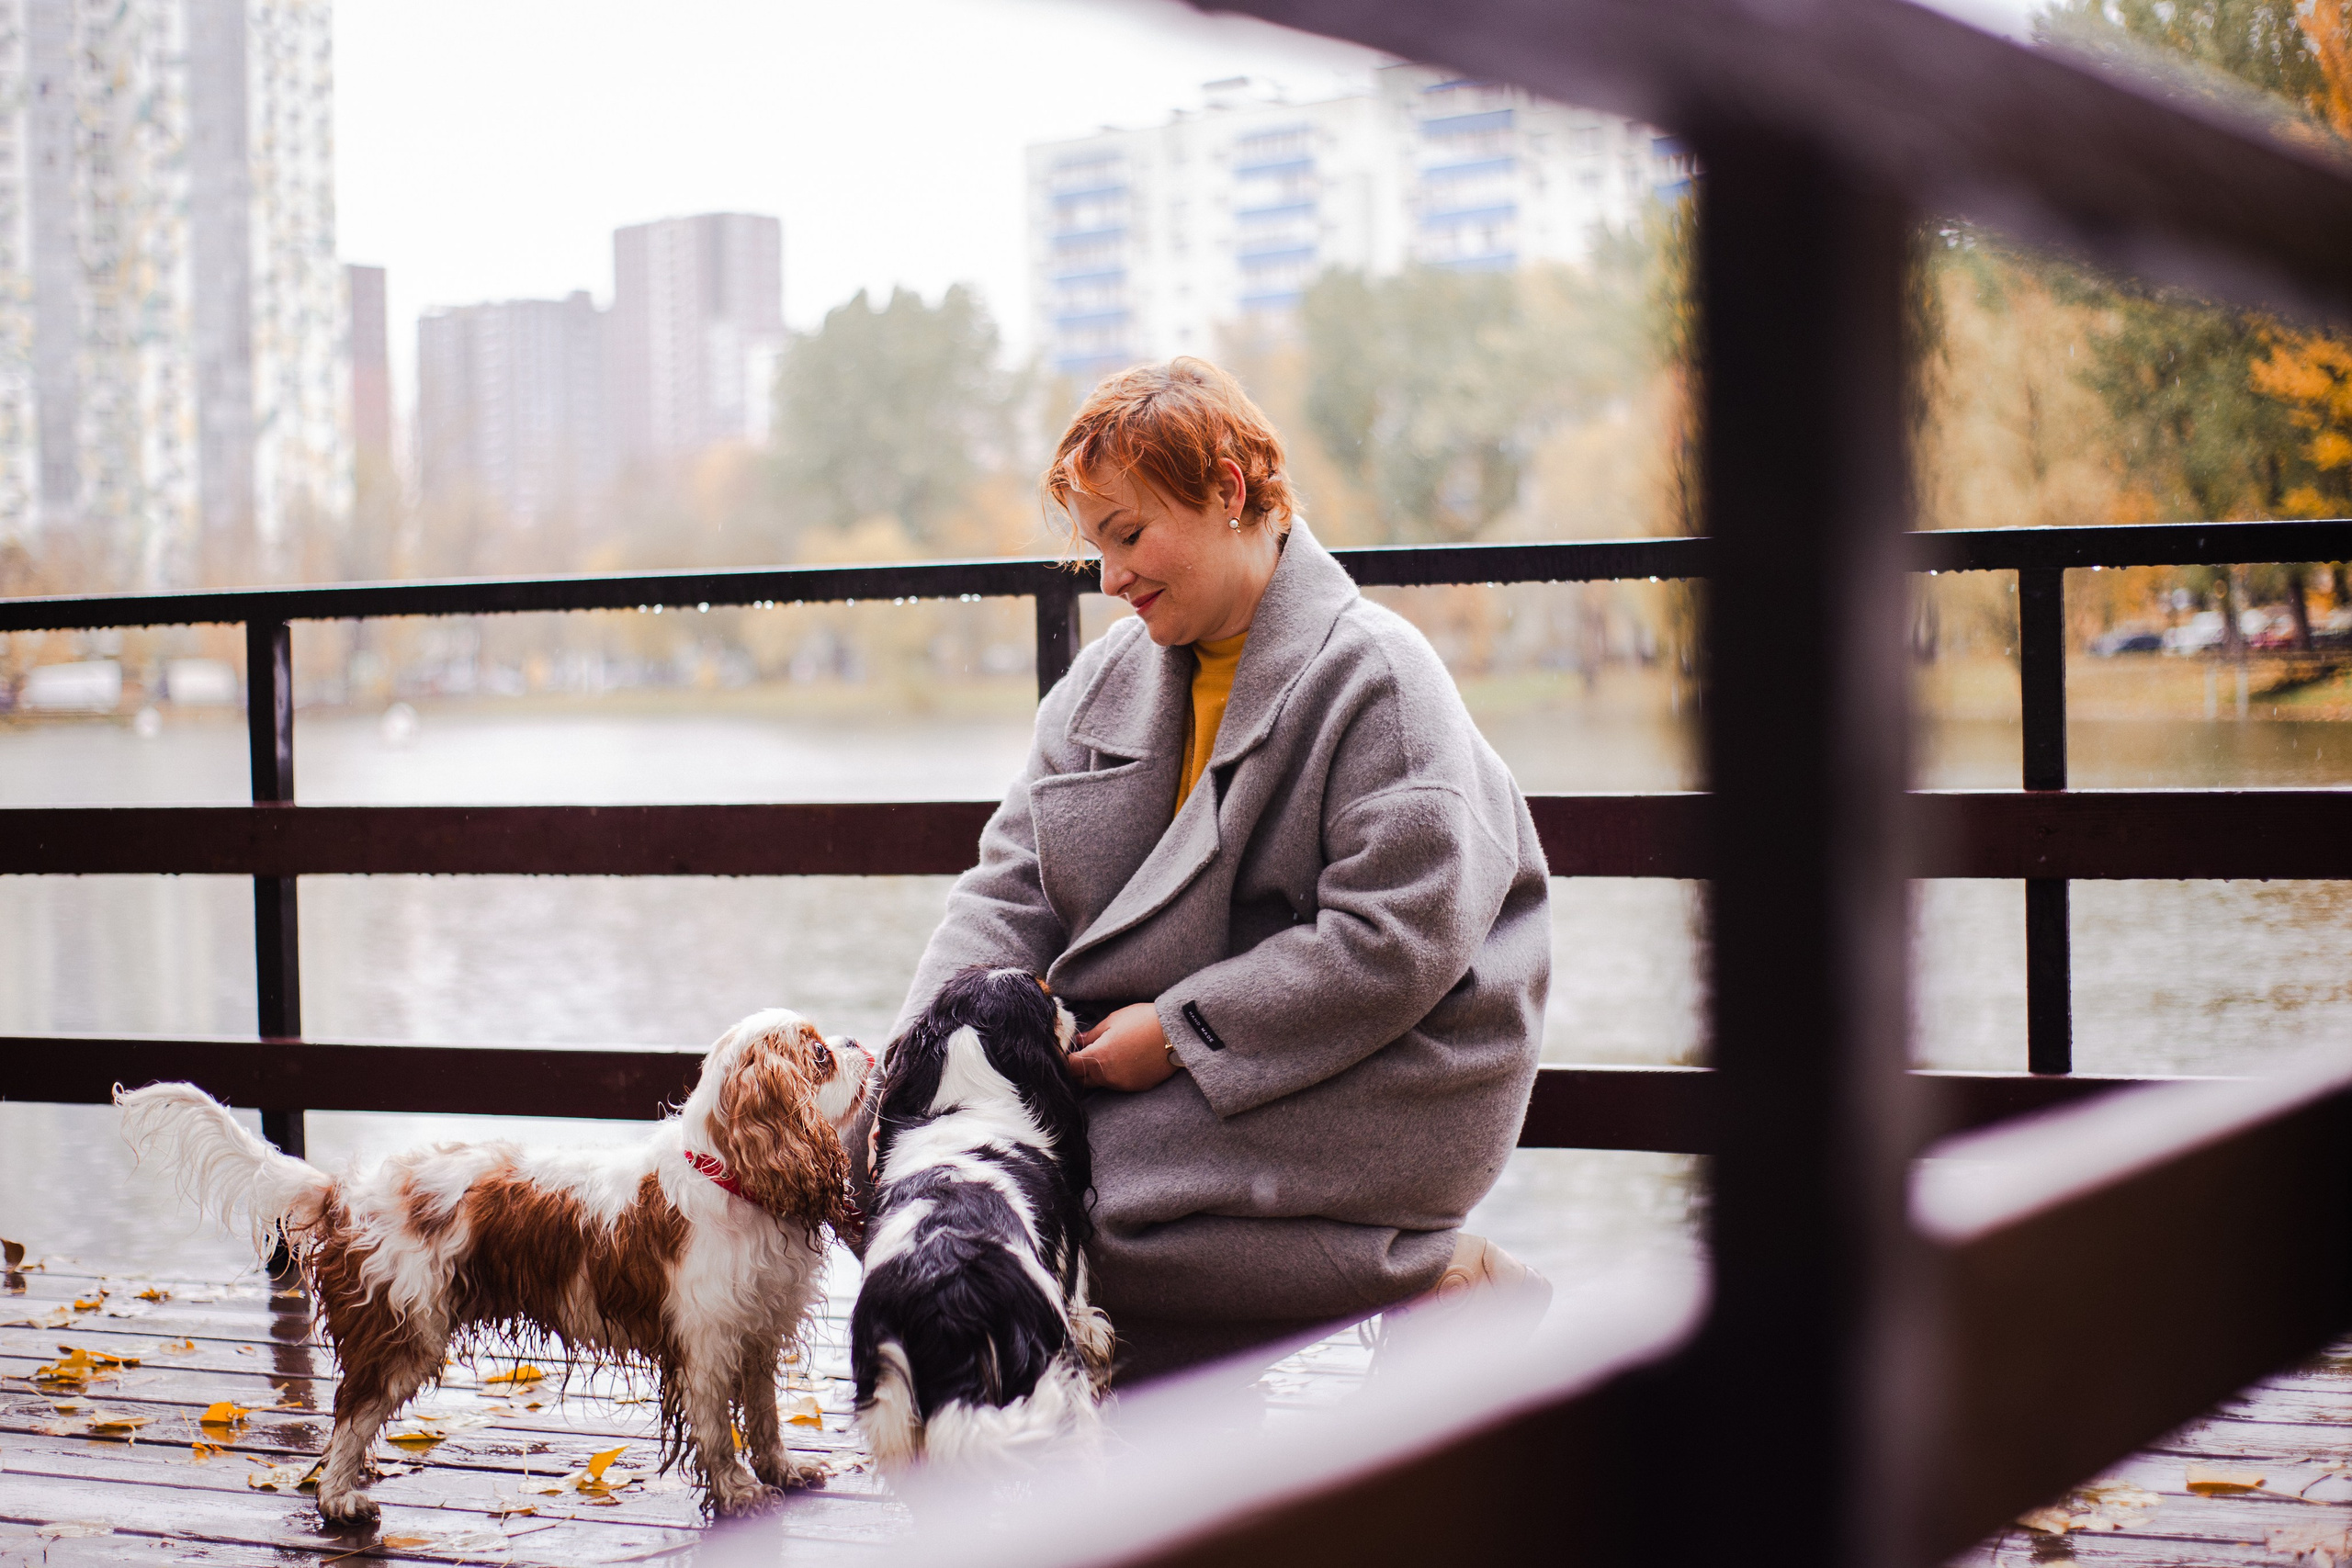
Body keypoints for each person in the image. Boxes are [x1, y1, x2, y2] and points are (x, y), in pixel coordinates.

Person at [888, 357, 1552, 1380]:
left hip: (1381, 1071)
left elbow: (1397, 941)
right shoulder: (1103, 681)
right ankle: (1155, 1391)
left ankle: (1436, 1275)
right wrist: (916, 1060)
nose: (1108, 578)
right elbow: (1010, 887)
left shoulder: (1377, 676)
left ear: (1230, 492)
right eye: (1095, 545)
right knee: (905, 1172)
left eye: (1128, 534)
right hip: (1158, 1065)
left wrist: (1185, 1031)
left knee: (1073, 1207)